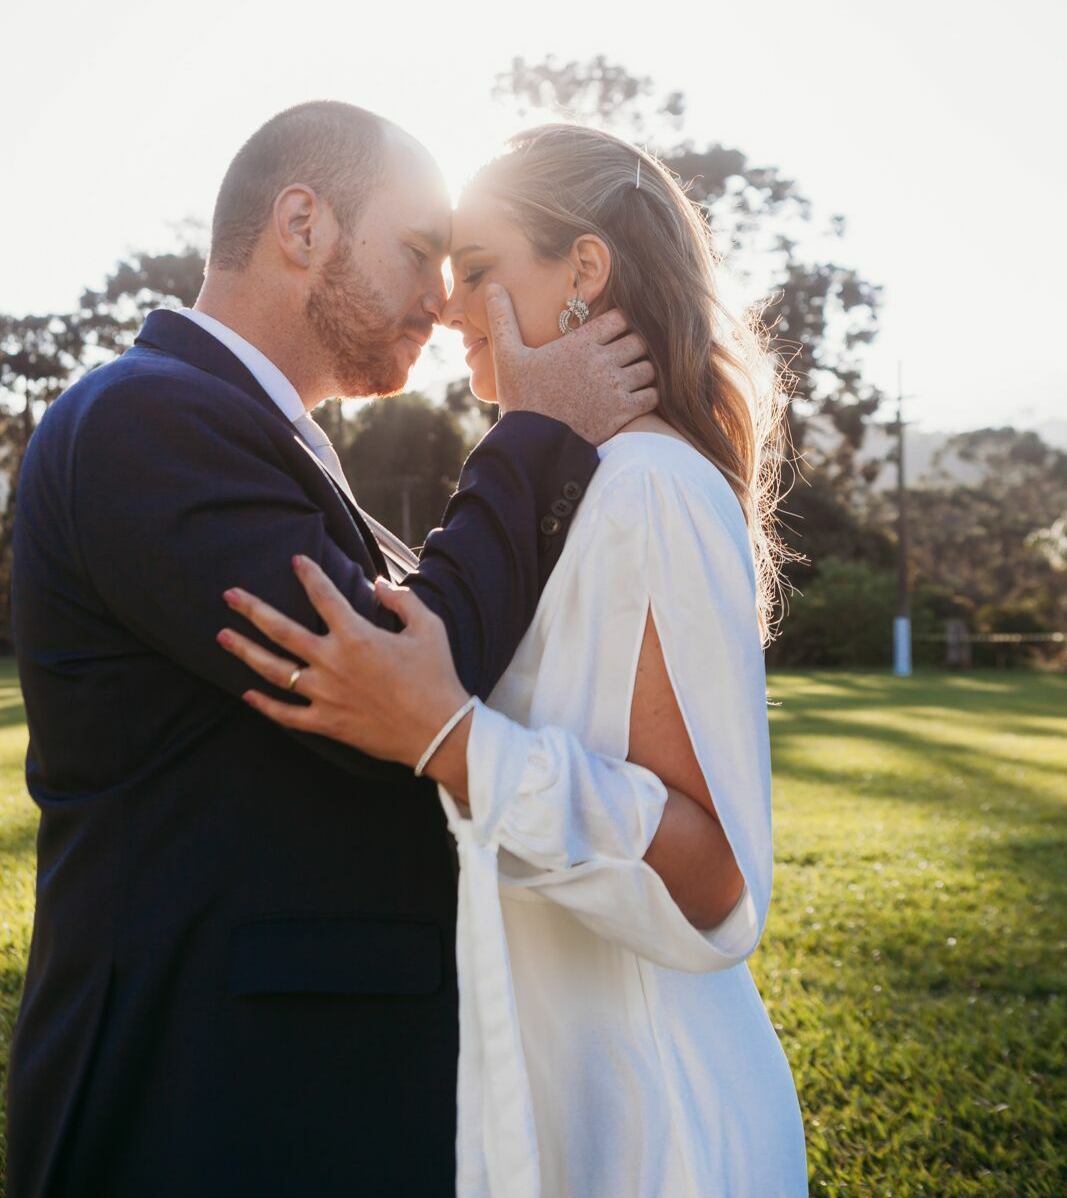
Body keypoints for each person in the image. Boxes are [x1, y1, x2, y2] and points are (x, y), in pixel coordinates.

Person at [7, 103, 658, 1198]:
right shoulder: (144, 420)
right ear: (300, 223)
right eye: (418, 251)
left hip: (294, 1092)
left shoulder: (265, 442)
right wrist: (539, 431)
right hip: (199, 1104)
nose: (443, 298)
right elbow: (395, 684)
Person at [224, 122, 810, 1197]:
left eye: (480, 271)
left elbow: (711, 871)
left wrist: (453, 741)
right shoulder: (583, 482)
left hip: (646, 1126)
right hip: (552, 1093)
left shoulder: (644, 483)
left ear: (583, 272)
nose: (446, 306)